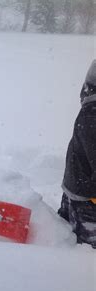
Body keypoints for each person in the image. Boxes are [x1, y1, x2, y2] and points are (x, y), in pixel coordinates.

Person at [58, 60, 96, 249]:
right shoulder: (93, 116)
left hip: (78, 188)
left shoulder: (89, 111)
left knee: (63, 235)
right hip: (88, 201)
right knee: (85, 252)